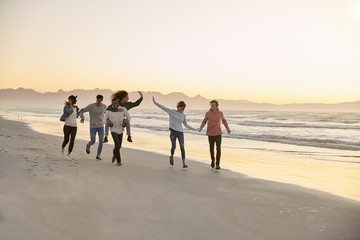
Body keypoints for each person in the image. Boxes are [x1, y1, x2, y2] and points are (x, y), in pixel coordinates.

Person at [152, 97, 199, 168]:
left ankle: (183, 163)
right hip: (173, 133)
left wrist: (195, 129)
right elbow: (163, 107)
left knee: (182, 147)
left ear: (183, 108)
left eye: (180, 107)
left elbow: (186, 125)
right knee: (173, 147)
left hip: (180, 133)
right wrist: (155, 102)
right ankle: (171, 156)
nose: (178, 108)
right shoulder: (172, 111)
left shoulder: (183, 116)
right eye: (178, 106)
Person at [199, 100, 231, 170]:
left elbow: (224, 121)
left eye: (213, 105)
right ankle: (212, 160)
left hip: (218, 133)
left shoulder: (220, 113)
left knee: (218, 148)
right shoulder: (207, 113)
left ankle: (217, 164)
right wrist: (201, 128)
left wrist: (228, 129)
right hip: (210, 133)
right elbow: (204, 121)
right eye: (211, 105)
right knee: (211, 148)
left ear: (217, 106)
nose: (212, 106)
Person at [103, 98, 130, 166]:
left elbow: (128, 117)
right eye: (114, 103)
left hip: (120, 130)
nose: (115, 105)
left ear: (118, 103)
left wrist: (125, 122)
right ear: (112, 103)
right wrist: (107, 121)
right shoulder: (109, 110)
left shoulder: (123, 109)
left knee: (119, 146)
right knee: (117, 144)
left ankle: (114, 154)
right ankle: (119, 161)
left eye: (116, 103)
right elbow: (104, 119)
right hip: (113, 130)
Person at [79, 95, 107, 160]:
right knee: (93, 140)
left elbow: (107, 114)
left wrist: (108, 120)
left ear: (102, 100)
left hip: (101, 126)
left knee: (101, 141)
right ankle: (88, 145)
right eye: (97, 100)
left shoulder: (104, 106)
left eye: (99, 100)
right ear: (96, 99)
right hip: (93, 126)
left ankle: (98, 155)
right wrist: (82, 117)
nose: (98, 102)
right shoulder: (91, 106)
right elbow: (82, 111)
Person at [60, 95, 80, 160]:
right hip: (67, 126)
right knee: (66, 139)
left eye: (71, 100)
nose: (70, 101)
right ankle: (63, 147)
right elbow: (70, 112)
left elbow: (76, 116)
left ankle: (68, 154)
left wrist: (80, 112)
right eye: (69, 100)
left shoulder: (76, 107)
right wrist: (70, 104)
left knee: (72, 140)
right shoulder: (66, 107)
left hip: (74, 126)